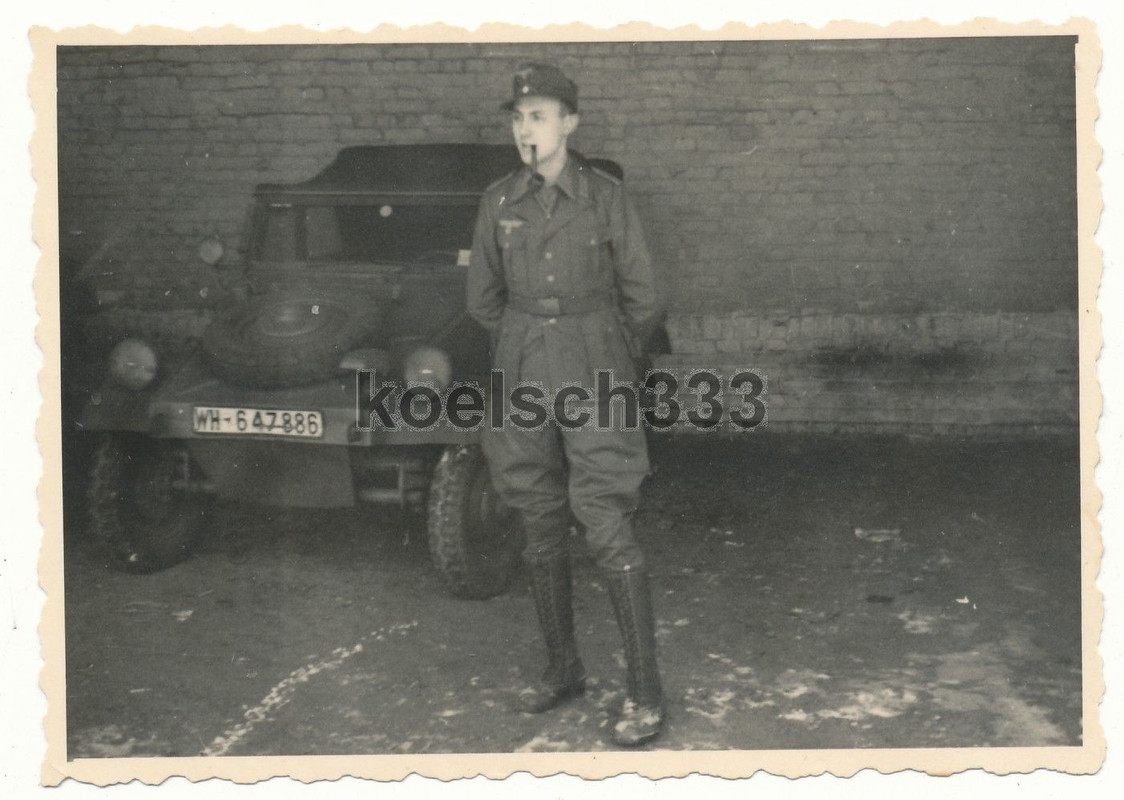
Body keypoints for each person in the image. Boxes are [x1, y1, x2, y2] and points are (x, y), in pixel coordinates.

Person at [466, 62, 666, 747]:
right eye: (518, 118)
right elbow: (483, 299)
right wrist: (530, 342)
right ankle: (563, 671)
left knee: (605, 513)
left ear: (570, 124)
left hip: (595, 358)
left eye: (540, 116)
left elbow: (644, 297)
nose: (527, 129)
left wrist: (610, 357)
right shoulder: (497, 202)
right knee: (536, 512)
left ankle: (645, 693)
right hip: (521, 362)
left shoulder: (606, 197)